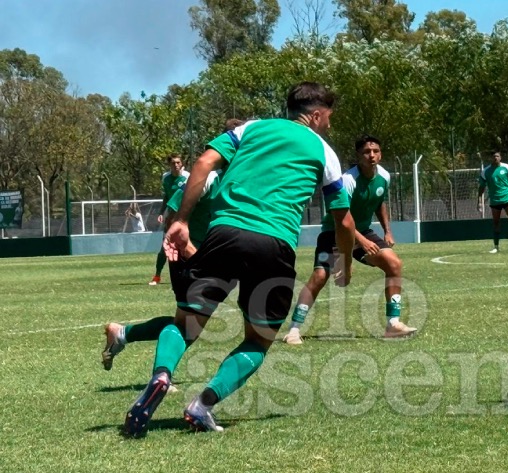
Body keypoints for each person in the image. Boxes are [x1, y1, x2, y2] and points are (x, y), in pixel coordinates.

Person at [122, 82, 355, 437]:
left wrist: (181, 220)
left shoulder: (252, 128)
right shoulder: (324, 152)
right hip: (274, 245)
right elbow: (344, 221)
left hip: (224, 234)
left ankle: (162, 375)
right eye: (329, 118)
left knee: (185, 324)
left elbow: (204, 162)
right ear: (317, 115)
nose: (329, 125)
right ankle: (202, 405)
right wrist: (345, 262)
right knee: (259, 340)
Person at [103, 120, 244, 372]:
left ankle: (122, 334)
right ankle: (160, 376)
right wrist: (186, 248)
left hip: (207, 257)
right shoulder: (208, 179)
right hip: (187, 256)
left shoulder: (239, 181)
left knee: (190, 325)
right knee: (187, 325)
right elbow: (172, 216)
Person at [282, 135, 417, 345]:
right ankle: (294, 329)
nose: (371, 155)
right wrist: (361, 242)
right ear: (358, 155)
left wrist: (387, 231)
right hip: (334, 232)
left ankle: (393, 324)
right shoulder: (348, 180)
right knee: (319, 276)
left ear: (380, 154)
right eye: (366, 152)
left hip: (362, 231)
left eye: (375, 151)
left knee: (394, 264)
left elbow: (379, 203)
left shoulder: (384, 176)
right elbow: (342, 219)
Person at [150, 153, 190, 285]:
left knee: (187, 245)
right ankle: (157, 276)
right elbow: (166, 196)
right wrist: (162, 212)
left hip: (186, 216)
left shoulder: (187, 177)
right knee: (165, 246)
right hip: (171, 217)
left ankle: (189, 274)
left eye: (178, 162)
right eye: (173, 163)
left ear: (182, 164)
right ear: (169, 165)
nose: (176, 165)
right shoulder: (165, 178)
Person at [477, 152, 508, 253]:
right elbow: (481, 187)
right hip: (495, 200)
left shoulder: (507, 168)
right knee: (496, 222)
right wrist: (479, 201)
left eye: (497, 156)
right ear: (491, 158)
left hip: (507, 198)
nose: (495, 158)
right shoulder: (486, 171)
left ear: (500, 158)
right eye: (494, 156)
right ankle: (496, 247)